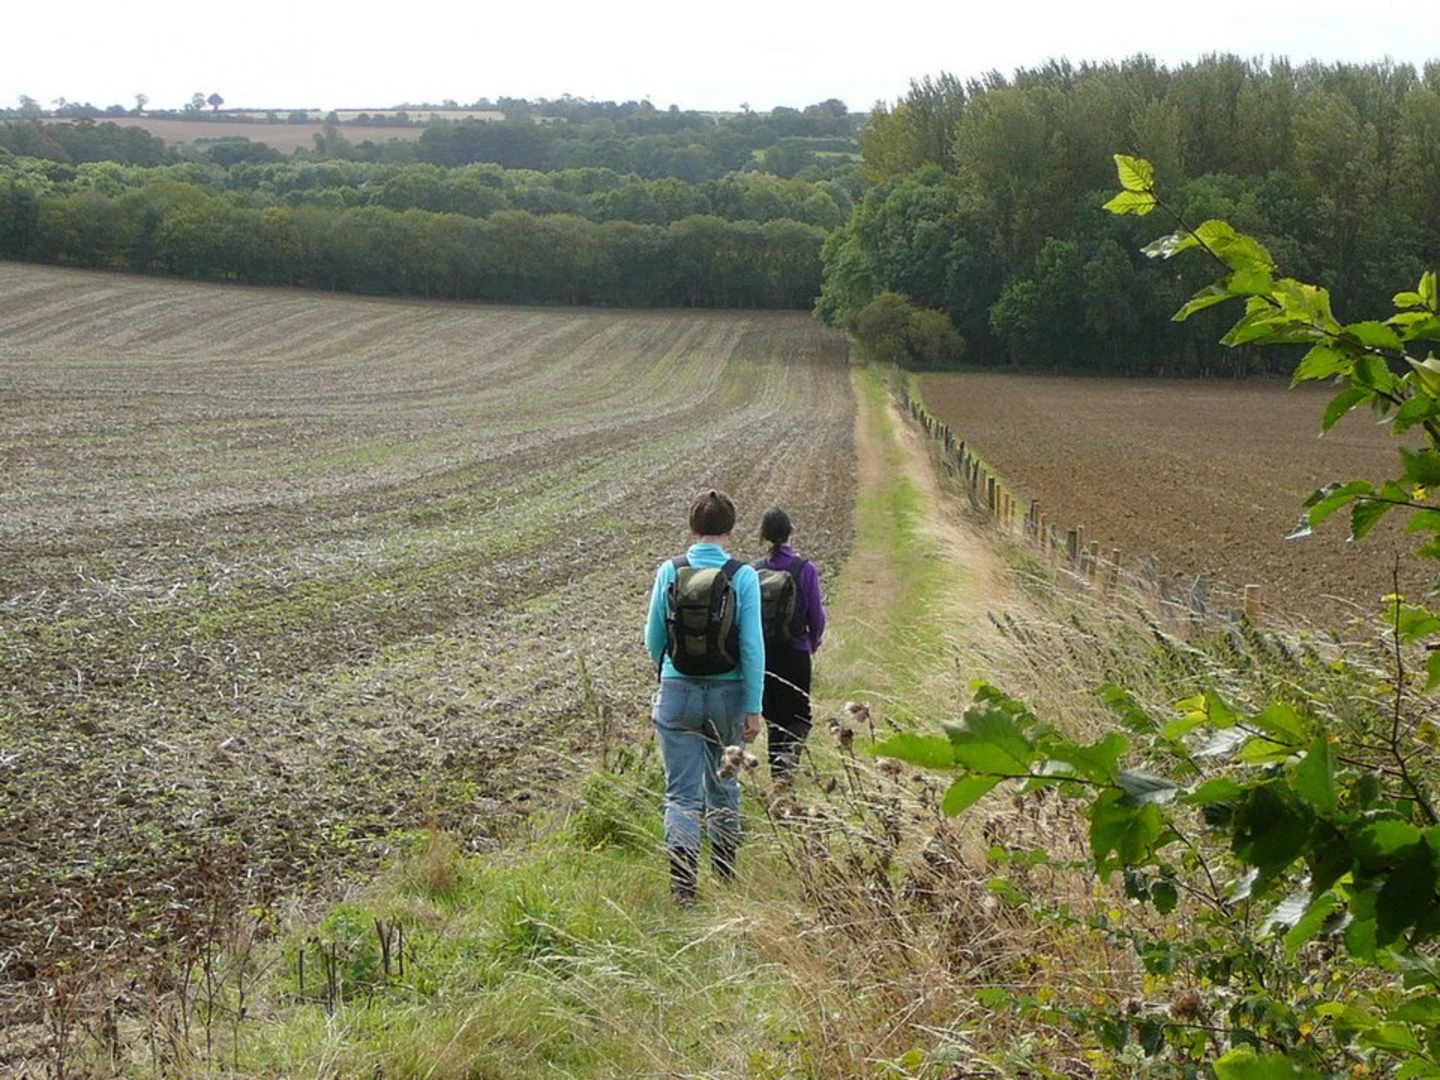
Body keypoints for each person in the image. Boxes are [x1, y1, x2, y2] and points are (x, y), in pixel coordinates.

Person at [645, 490, 764, 906]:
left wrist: (671, 676)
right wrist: (754, 707)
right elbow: (751, 647)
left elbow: (652, 639)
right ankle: (726, 877)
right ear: (730, 529)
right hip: (729, 696)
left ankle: (682, 889)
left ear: (691, 527)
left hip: (677, 693)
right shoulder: (742, 575)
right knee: (724, 787)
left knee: (681, 795)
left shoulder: (670, 571)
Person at [754, 507, 826, 780]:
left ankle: (778, 779)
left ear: (763, 535)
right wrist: (813, 642)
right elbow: (816, 616)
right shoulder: (804, 569)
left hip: (766, 656)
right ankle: (788, 771)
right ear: (791, 531)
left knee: (774, 719)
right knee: (800, 717)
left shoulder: (754, 570)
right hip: (796, 652)